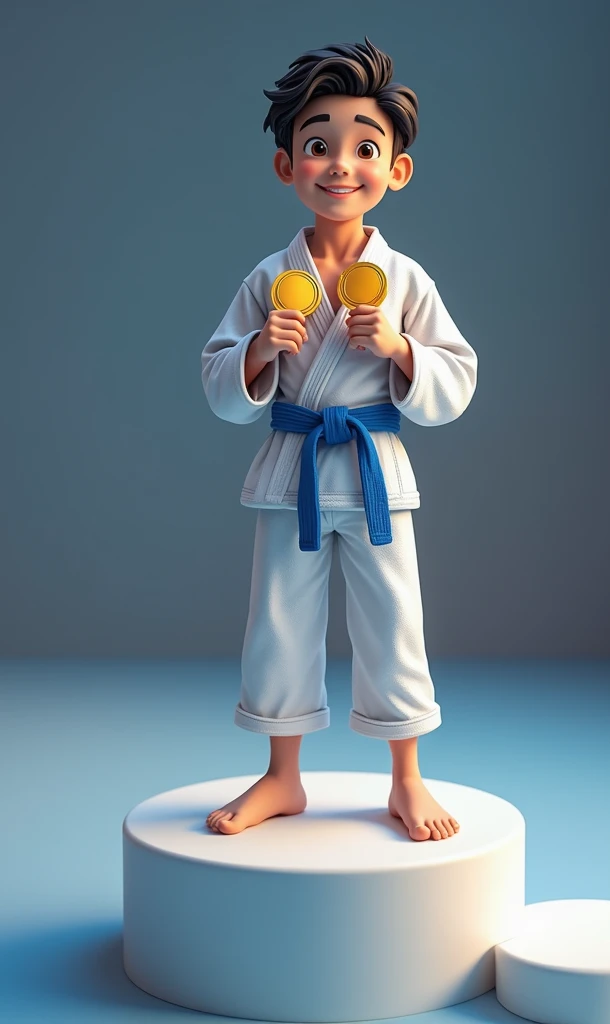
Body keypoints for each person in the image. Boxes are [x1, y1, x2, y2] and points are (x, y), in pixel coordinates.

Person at [202, 38, 477, 841]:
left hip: (374, 470)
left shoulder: (405, 280)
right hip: (292, 469)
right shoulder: (268, 278)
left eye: (365, 147)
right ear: (287, 164)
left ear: (397, 171)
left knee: (395, 619)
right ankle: (281, 777)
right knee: (280, 620)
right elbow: (219, 383)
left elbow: (455, 380)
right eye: (318, 145)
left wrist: (398, 349)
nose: (339, 164)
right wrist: (259, 351)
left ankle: (407, 778)